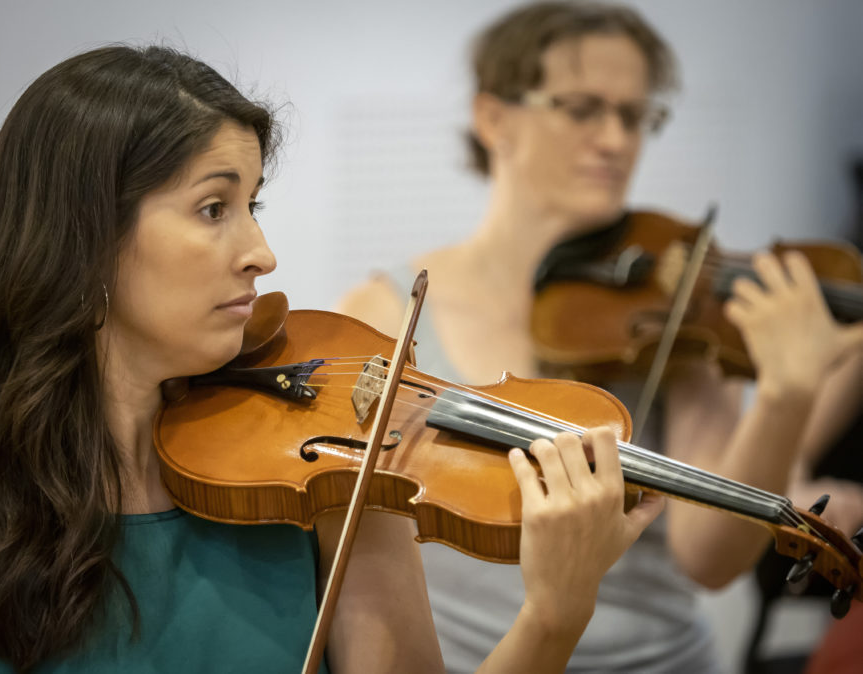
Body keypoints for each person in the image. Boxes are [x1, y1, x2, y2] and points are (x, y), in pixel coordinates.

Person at [0, 45, 664, 674]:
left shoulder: (329, 492)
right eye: (213, 208)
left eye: (252, 205)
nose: (260, 253)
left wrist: (555, 615)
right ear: (82, 236)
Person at [336, 2, 863, 672]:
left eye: (635, 115)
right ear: (493, 118)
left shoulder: (673, 304)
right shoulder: (385, 313)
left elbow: (709, 559)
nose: (617, 140)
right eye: (583, 109)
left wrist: (788, 393)